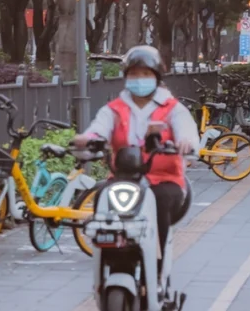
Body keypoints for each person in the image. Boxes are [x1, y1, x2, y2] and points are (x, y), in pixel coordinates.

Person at [73, 44, 198, 267]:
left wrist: (185, 142)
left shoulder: (173, 109)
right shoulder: (114, 108)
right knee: (102, 198)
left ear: (156, 77)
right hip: (123, 180)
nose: (139, 79)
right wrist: (88, 138)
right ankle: (105, 265)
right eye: (133, 74)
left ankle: (157, 268)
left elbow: (186, 129)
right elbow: (99, 128)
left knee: (159, 202)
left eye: (145, 74)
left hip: (164, 180)